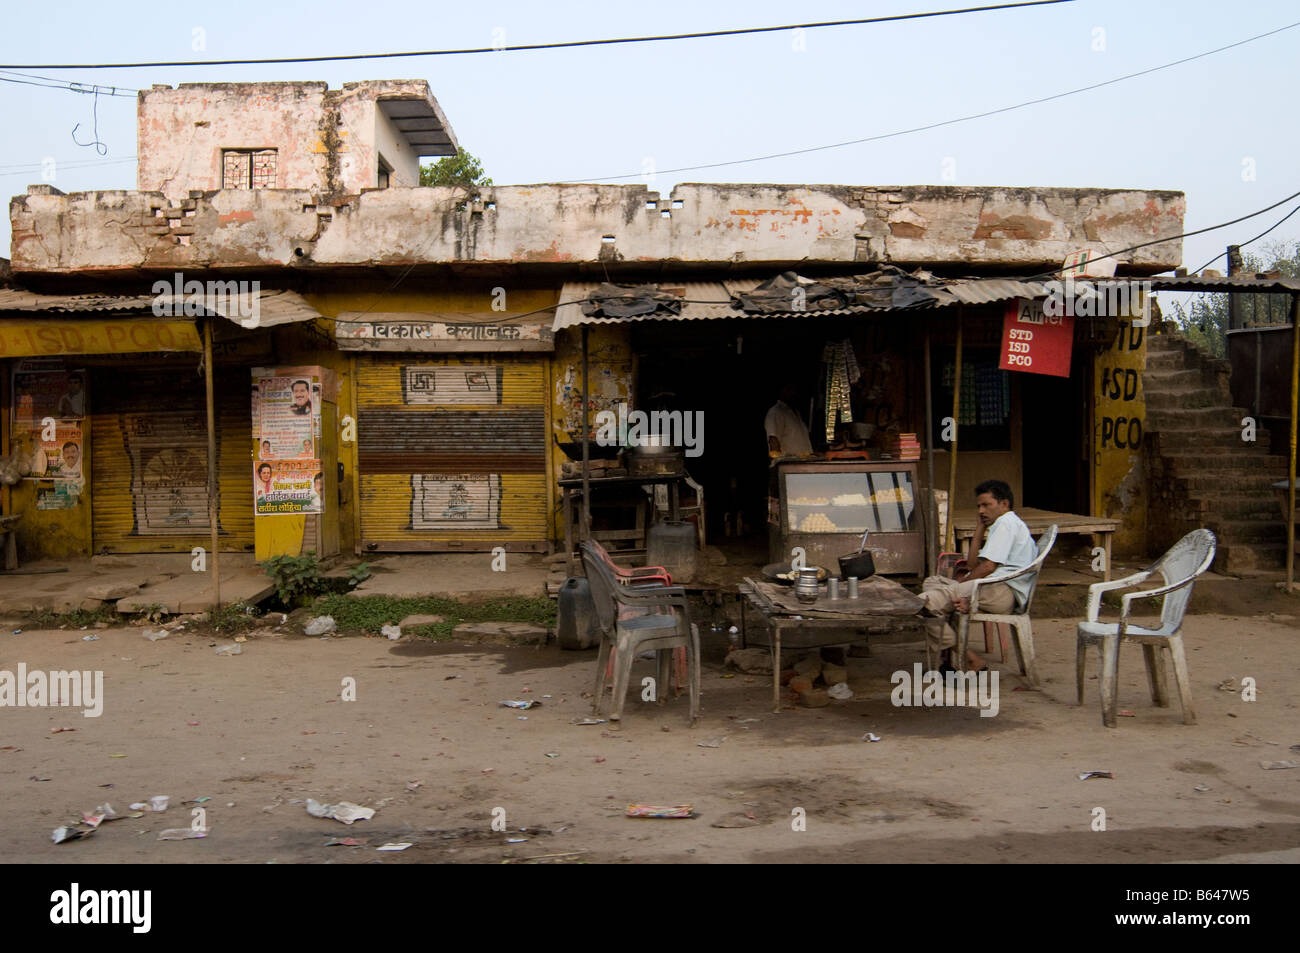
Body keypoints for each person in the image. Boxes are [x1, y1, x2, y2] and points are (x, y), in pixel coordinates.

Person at [918, 479, 1037, 673]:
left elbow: (988, 566)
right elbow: (973, 565)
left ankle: (967, 658)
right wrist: (980, 528)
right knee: (932, 582)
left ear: (1004, 504)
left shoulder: (1006, 523)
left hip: (1001, 592)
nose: (981, 510)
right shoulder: (1006, 523)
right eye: (979, 506)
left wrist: (963, 585)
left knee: (922, 604)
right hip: (994, 588)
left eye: (986, 505)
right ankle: (949, 654)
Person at [765, 383, 812, 458]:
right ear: (782, 391)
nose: (794, 393)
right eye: (790, 389)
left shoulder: (796, 413)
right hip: (788, 465)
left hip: (803, 464)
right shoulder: (776, 412)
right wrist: (779, 462)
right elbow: (773, 441)